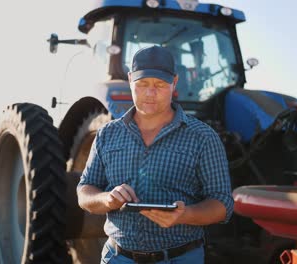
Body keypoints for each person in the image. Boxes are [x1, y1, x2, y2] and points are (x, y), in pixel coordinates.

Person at [77, 45, 233, 264]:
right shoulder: (107, 134)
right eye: (142, 84)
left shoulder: (203, 137)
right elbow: (84, 192)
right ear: (130, 79)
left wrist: (185, 214)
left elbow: (223, 203)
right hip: (117, 257)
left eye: (160, 85)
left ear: (175, 82)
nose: (150, 93)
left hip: (179, 258)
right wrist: (107, 198)